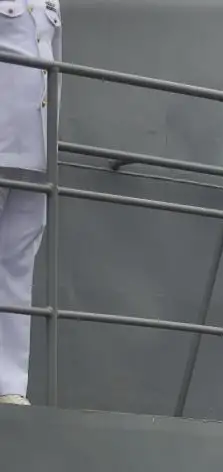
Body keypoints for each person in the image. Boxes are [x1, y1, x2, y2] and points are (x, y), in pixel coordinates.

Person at [0, 0, 60, 406]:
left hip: (35, 149)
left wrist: (49, 145)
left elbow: (51, 64)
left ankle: (9, 384)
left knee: (17, 267)